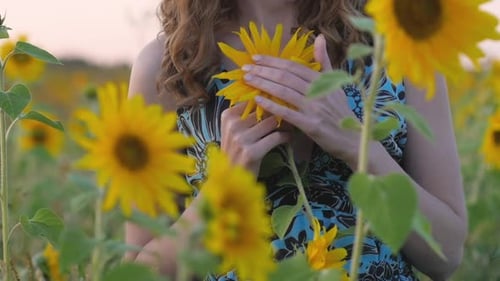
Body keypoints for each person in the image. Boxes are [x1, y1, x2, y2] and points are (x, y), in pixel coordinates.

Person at [125, 1, 468, 280]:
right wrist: (222, 192)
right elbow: (140, 272)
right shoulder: (169, 67)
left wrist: (356, 145)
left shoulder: (402, 43)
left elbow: (447, 253)